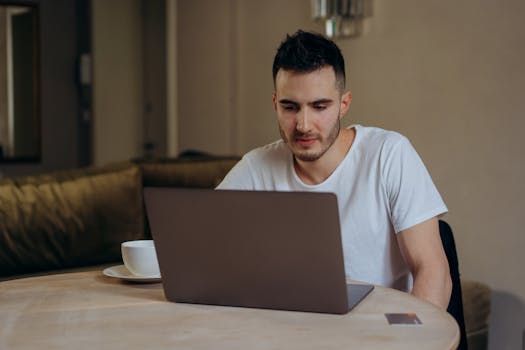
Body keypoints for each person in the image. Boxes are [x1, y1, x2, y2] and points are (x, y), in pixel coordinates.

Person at [216, 30, 452, 309]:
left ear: (344, 104)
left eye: (319, 106)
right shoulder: (256, 168)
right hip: (290, 329)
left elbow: (433, 272)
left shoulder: (389, 154)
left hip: (380, 333)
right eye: (290, 107)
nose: (303, 124)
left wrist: (411, 338)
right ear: (275, 104)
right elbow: (201, 250)